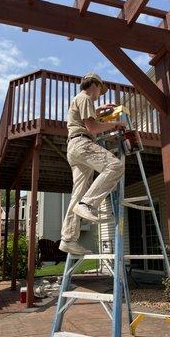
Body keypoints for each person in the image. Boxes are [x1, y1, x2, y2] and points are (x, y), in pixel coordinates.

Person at [59, 73, 125, 255]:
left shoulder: (80, 100)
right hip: (82, 143)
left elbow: (90, 119)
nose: (99, 96)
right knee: (115, 166)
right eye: (100, 92)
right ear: (94, 85)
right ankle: (88, 204)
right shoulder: (85, 97)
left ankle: (68, 239)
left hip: (74, 147)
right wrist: (116, 124)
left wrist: (102, 110)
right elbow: (93, 128)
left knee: (78, 193)